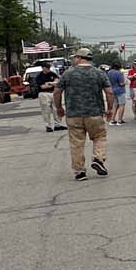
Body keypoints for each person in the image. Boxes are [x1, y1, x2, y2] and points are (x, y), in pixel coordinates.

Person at [53, 48, 114, 181]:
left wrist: (59, 108)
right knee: (99, 136)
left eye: (75, 57)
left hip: (73, 114)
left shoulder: (68, 74)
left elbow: (57, 92)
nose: (74, 60)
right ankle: (98, 158)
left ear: (79, 58)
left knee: (76, 143)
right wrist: (110, 109)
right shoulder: (99, 73)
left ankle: (79, 171)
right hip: (95, 113)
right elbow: (109, 92)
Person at [35, 63, 64, 133]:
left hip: (53, 92)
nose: (48, 69)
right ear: (42, 68)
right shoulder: (39, 76)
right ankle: (48, 126)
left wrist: (49, 83)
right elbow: (43, 86)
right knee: (46, 110)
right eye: (46, 67)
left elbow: (58, 82)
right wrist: (52, 83)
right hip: (44, 94)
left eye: (49, 67)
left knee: (56, 108)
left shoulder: (52, 74)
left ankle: (58, 125)